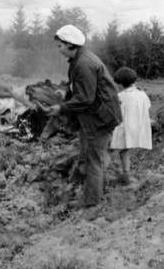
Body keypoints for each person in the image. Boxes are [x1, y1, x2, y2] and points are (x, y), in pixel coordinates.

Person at [39, 25, 122, 209]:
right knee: (89, 155)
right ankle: (91, 193)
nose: (58, 50)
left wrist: (61, 108)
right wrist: (66, 95)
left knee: (94, 160)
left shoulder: (84, 64)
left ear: (70, 45)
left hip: (100, 118)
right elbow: (76, 87)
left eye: (60, 46)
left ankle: (92, 205)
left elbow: (85, 98)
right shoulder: (77, 59)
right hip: (93, 116)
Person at [110, 67, 152, 185]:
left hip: (124, 128)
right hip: (137, 128)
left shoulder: (121, 96)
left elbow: (114, 113)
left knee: (108, 148)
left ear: (121, 84)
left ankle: (104, 173)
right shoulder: (142, 93)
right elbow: (147, 107)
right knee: (124, 151)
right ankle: (126, 174)